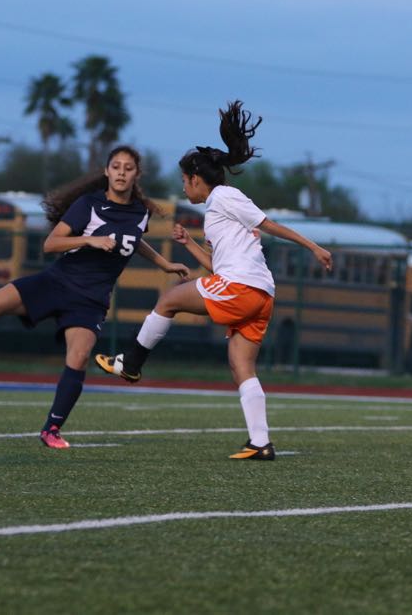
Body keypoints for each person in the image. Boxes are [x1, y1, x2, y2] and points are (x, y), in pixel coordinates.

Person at [95, 101, 333, 461]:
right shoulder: (216, 212)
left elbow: (268, 225)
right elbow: (217, 269)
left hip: (242, 288)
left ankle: (130, 362)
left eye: (184, 180)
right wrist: (189, 244)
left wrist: (313, 246)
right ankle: (260, 443)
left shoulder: (224, 196)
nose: (183, 187)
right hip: (259, 295)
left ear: (195, 178)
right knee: (241, 365)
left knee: (169, 300)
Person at [0, 146, 189, 449]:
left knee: (78, 358)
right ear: (107, 172)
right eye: (116, 166)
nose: (121, 172)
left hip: (91, 299)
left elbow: (135, 241)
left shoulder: (141, 211)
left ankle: (51, 429)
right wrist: (89, 240)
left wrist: (165, 264)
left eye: (128, 168)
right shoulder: (88, 204)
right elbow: (51, 244)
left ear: (137, 174)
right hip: (57, 281)